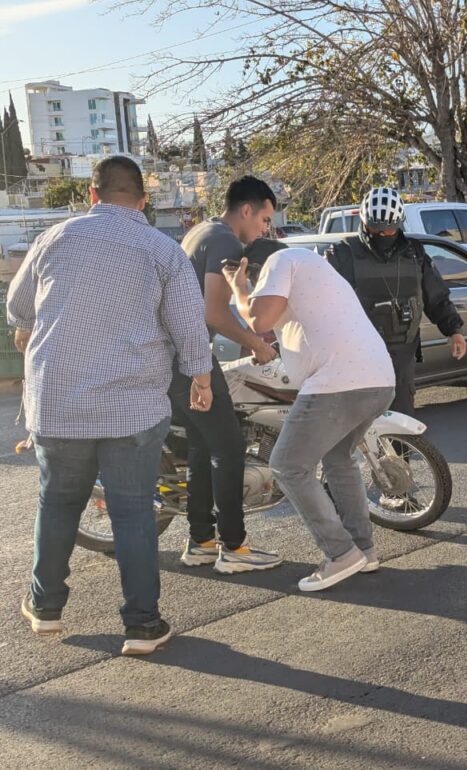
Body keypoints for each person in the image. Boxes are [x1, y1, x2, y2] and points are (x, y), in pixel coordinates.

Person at [8, 156, 213, 655]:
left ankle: (46, 608)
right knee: (133, 513)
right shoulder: (162, 250)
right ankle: (143, 625)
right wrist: (200, 378)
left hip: (58, 405)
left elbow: (17, 309)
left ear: (92, 196)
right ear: (143, 200)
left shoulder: (54, 239)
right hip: (133, 406)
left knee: (57, 503)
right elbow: (190, 326)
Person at [223, 243, 396, 591]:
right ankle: (363, 549)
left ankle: (341, 552)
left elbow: (259, 319)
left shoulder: (279, 261)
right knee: (338, 458)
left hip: (337, 383)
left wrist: (239, 288)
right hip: (378, 379)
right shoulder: (315, 269)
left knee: (288, 464)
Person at [171, 175, 282, 574]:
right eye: (265, 219)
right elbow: (213, 313)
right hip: (188, 357)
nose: (265, 229)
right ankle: (234, 549)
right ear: (247, 210)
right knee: (230, 447)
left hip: (175, 356)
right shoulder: (225, 240)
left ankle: (201, 540)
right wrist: (255, 343)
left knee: (205, 446)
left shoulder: (201, 231)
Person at [326, 187, 466, 419]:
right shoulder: (342, 254)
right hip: (357, 354)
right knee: (359, 423)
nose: (383, 235)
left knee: (400, 421)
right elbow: (322, 304)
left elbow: (436, 296)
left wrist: (454, 330)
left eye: (389, 229)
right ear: (364, 222)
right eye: (376, 229)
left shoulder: (414, 253)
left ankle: (399, 457)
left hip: (402, 352)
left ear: (399, 224)